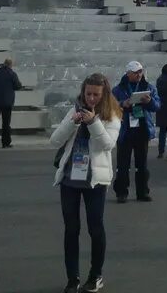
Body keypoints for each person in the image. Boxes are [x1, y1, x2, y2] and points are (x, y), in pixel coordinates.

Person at [51, 73, 122, 293]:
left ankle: (96, 275)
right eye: (88, 93)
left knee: (95, 227)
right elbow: (54, 141)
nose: (91, 98)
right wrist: (72, 124)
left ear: (104, 95)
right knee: (71, 229)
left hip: (95, 181)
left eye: (96, 95)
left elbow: (108, 145)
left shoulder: (112, 116)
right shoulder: (74, 110)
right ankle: (73, 278)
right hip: (70, 179)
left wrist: (93, 122)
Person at [111, 61, 160, 203]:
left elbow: (157, 106)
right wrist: (122, 104)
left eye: (140, 71)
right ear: (128, 73)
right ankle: (121, 193)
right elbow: (110, 107)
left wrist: (149, 101)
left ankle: (142, 192)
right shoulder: (118, 89)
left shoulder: (149, 87)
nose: (139, 74)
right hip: (125, 130)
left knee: (142, 165)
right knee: (122, 165)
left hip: (142, 130)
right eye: (136, 72)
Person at [0, 57, 23, 148]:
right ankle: (5, 143)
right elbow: (18, 86)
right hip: (7, 103)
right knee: (6, 123)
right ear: (10, 65)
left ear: (4, 64)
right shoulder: (12, 74)